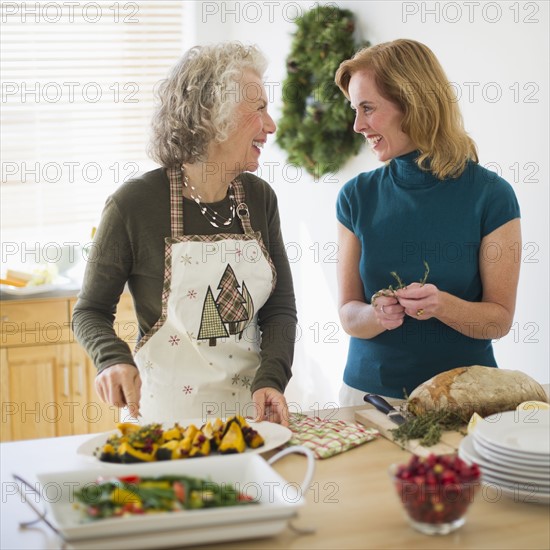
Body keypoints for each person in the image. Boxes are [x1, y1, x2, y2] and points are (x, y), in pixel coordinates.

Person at [72, 42, 297, 426]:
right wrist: (111, 358)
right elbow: (90, 311)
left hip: (251, 420)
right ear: (214, 116)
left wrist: (272, 379)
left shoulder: (259, 198)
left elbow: (279, 308)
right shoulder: (134, 204)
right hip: (166, 424)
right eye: (258, 108)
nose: (270, 124)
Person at [334, 39, 521, 404]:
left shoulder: (492, 195)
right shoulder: (355, 196)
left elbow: (498, 320)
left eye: (368, 108)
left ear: (411, 103)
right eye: (355, 109)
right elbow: (347, 313)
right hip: (368, 399)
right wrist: (376, 315)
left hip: (465, 400)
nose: (357, 125)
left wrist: (442, 305)